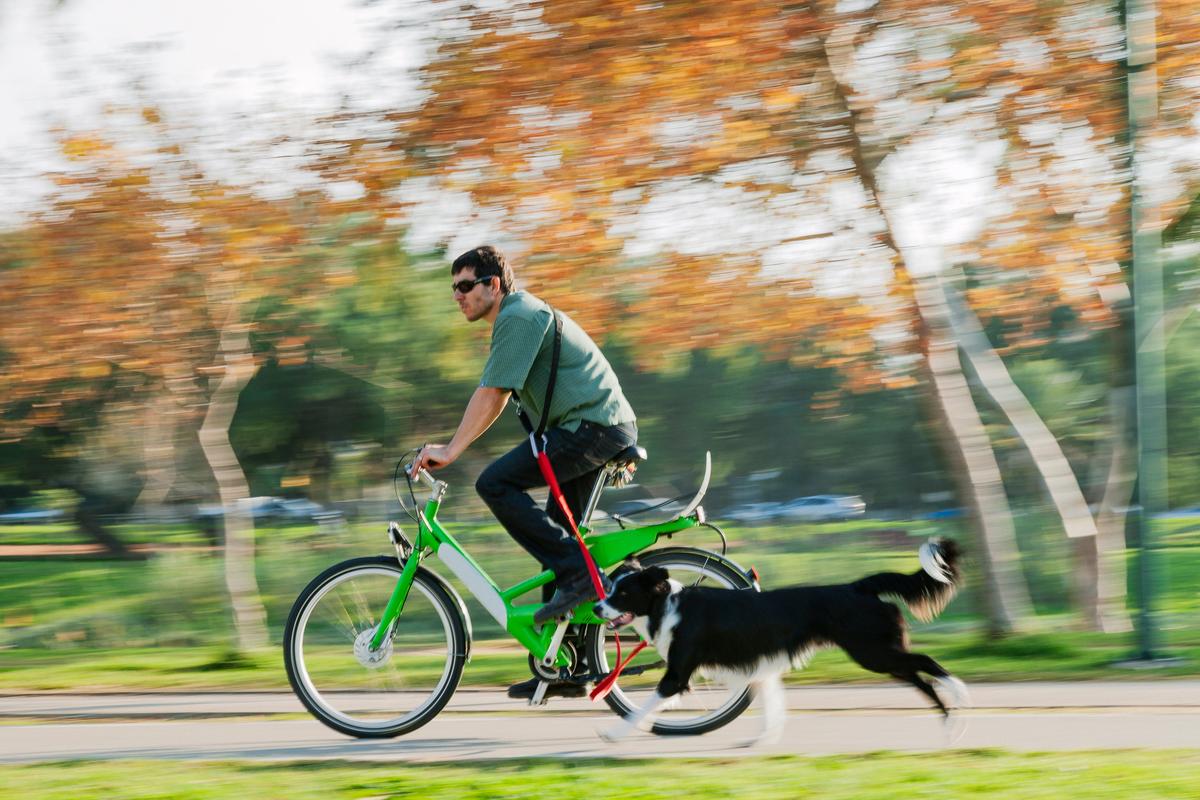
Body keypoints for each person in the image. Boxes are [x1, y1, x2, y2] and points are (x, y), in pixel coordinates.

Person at [409, 245, 638, 699]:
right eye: (453, 288)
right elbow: (495, 394)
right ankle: (568, 668)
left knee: (494, 483)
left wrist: (451, 449)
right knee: (555, 539)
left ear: (494, 285)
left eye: (465, 286)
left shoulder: (516, 314)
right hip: (597, 428)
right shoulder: (516, 316)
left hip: (591, 428)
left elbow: (492, 392)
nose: (457, 296)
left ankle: (585, 577)